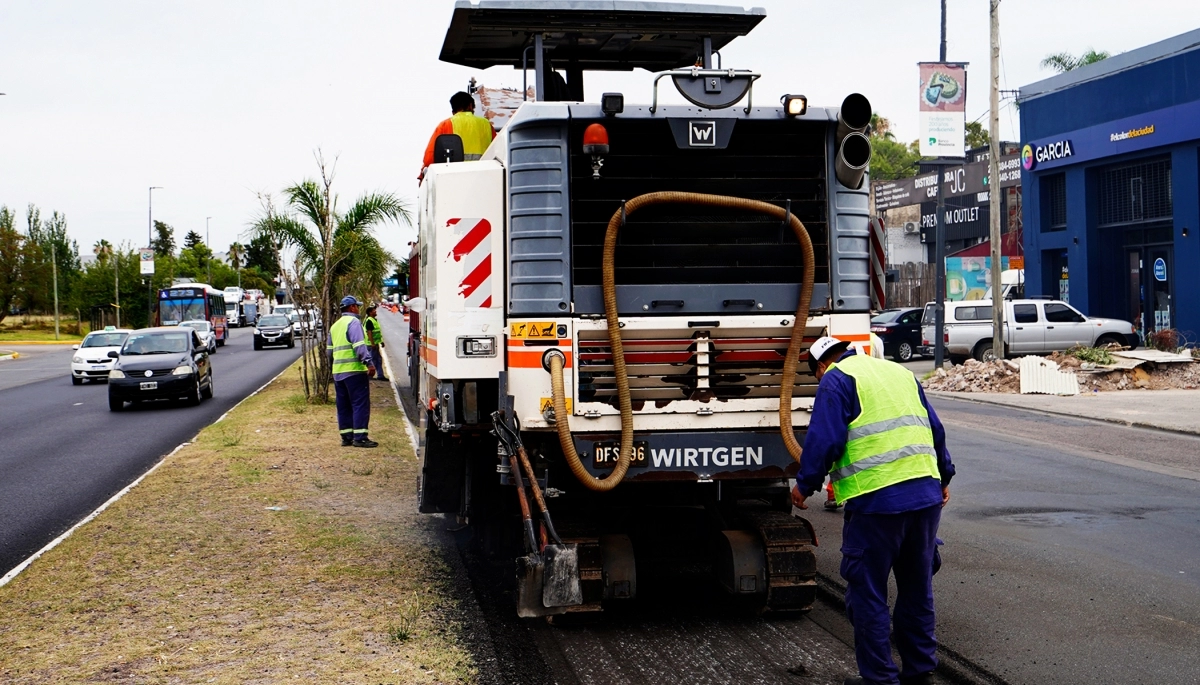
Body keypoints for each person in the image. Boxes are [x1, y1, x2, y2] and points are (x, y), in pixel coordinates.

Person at [792, 336, 955, 685]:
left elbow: (825, 439)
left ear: (821, 366)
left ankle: (880, 679)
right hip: (925, 496)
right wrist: (944, 476)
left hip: (878, 501)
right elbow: (934, 429)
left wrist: (804, 485)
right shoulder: (899, 373)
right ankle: (919, 671)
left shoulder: (836, 378)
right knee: (916, 588)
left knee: (867, 593)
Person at [328, 295, 377, 448]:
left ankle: (346, 437)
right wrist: (369, 363)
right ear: (352, 308)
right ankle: (360, 437)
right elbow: (360, 347)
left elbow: (329, 352)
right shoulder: (354, 322)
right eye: (357, 306)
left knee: (343, 406)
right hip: (354, 371)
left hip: (338, 373)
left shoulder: (335, 326)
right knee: (359, 404)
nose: (358, 309)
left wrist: (335, 366)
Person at [419, 91, 496, 181]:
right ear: (470, 106)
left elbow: (430, 156)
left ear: (453, 111)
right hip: (484, 177)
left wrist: (422, 176)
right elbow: (499, 150)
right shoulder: (486, 124)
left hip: (455, 178)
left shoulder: (445, 125)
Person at [363, 303, 388, 382]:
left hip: (375, 344)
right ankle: (370, 375)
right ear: (370, 312)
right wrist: (373, 343)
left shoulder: (374, 320)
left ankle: (380, 375)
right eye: (374, 310)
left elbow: (377, 333)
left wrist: (381, 342)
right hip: (371, 345)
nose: (375, 311)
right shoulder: (369, 321)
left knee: (378, 360)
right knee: (373, 360)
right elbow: (369, 333)